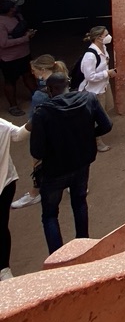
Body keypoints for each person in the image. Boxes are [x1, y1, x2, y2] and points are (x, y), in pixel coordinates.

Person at [30, 72, 112, 254]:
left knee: (50, 214)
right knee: (79, 202)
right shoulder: (88, 99)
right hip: (82, 163)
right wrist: (86, 138)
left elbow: (37, 151)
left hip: (54, 171)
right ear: (68, 83)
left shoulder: (43, 112)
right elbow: (106, 125)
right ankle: (84, 247)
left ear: (50, 90)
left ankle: (58, 257)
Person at [10, 54, 67, 210]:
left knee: (38, 163)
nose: (32, 73)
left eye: (34, 70)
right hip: (63, 130)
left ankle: (35, 193)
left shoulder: (39, 95)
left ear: (42, 70)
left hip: (46, 134)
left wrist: (23, 133)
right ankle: (70, 183)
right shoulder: (63, 82)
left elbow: (34, 119)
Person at [0, 112, 32, 279]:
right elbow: (18, 135)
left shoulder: (1, 126)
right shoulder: (1, 125)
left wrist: (35, 119)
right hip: (6, 181)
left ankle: (4, 268)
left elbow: (18, 135)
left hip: (5, 183)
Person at [79, 26, 117, 151]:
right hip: (94, 91)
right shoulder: (90, 56)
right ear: (98, 38)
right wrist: (107, 74)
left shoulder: (103, 48)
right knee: (96, 117)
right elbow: (89, 76)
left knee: (104, 110)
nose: (108, 36)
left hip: (104, 86)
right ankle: (97, 141)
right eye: (105, 34)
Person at [0, 0, 37, 117]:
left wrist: (28, 33)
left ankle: (37, 97)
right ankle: (13, 106)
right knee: (10, 81)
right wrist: (25, 39)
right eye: (16, 6)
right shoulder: (1, 23)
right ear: (11, 9)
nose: (18, 7)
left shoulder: (18, 16)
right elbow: (3, 43)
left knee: (28, 75)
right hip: (9, 58)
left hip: (24, 54)